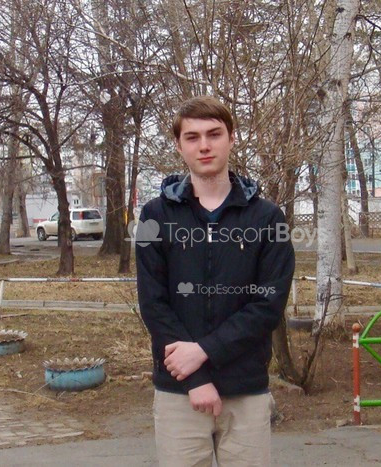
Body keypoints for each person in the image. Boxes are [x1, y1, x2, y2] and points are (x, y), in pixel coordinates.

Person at [135, 96, 295, 466]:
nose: (204, 145)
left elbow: (267, 305)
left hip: (245, 391)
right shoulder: (155, 215)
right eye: (192, 137)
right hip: (179, 392)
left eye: (214, 134)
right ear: (179, 146)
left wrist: (204, 351)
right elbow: (153, 304)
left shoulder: (267, 218)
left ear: (231, 138)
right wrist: (195, 378)